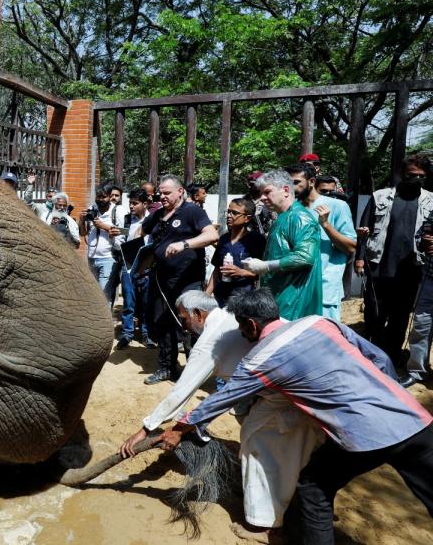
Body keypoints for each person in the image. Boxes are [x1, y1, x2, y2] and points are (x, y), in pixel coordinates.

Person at [157, 289, 433, 545]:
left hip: (364, 436)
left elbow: (220, 400)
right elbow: (381, 358)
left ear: (251, 325)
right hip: (414, 418)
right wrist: (390, 397)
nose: (241, 333)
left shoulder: (260, 359)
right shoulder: (320, 322)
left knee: (314, 488)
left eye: (242, 327)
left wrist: (180, 429)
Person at [119, 290, 322, 540]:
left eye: (184, 318)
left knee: (255, 443)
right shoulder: (233, 317)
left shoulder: (210, 342)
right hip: (309, 386)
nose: (184, 325)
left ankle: (265, 525)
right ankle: (297, 502)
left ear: (198, 314)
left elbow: (182, 392)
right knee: (288, 444)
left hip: (287, 395)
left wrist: (146, 429)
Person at [137, 174, 218, 384]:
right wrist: (138, 257)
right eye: (160, 193)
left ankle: (196, 371)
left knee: (190, 323)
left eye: (166, 193)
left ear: (180, 191)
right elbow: (140, 231)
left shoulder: (192, 211)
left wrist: (185, 244)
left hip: (187, 279)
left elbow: (211, 235)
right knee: (163, 322)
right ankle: (166, 367)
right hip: (160, 279)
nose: (161, 197)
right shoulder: (158, 214)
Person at [356, 154, 433, 366]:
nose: (416, 180)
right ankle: (373, 352)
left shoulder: (430, 200)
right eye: (411, 175)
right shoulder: (380, 196)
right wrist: (359, 258)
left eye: (421, 176)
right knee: (374, 313)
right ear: (402, 174)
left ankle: (391, 356)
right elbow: (364, 230)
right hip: (378, 265)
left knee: (400, 316)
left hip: (412, 269)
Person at [242, 169, 322, 319]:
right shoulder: (283, 217)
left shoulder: (299, 217)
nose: (262, 198)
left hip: (294, 302)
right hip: (280, 297)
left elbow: (305, 257)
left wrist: (265, 266)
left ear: (285, 190)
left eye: (267, 192)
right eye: (261, 194)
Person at [287, 164, 356, 320]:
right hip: (295, 290)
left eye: (296, 182)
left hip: (325, 290)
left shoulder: (337, 206)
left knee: (325, 340)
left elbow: (350, 247)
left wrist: (325, 225)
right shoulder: (290, 209)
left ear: (311, 181)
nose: (291, 187)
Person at [205, 197, 265, 307]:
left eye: (234, 213)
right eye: (228, 212)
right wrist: (206, 296)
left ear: (247, 218)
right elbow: (216, 271)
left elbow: (263, 272)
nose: (229, 215)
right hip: (220, 297)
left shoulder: (256, 240)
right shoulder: (223, 239)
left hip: (242, 299)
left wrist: (241, 272)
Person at [116, 188, 155, 349]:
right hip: (128, 265)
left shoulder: (153, 221)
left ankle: (147, 334)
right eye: (130, 203)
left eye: (135, 203)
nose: (131, 206)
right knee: (129, 302)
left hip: (147, 266)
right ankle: (127, 334)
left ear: (145, 204)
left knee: (147, 302)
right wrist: (118, 237)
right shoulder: (126, 220)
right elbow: (119, 242)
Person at [79, 182, 122, 313]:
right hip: (92, 258)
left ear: (110, 197)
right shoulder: (93, 209)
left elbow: (122, 233)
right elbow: (83, 233)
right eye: (98, 197)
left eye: (103, 197)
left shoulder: (117, 211)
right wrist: (81, 220)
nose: (100, 200)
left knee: (104, 295)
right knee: (94, 295)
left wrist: (103, 226)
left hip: (108, 259)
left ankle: (104, 326)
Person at [403, 210, 433, 387]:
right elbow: (421, 235)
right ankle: (417, 371)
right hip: (429, 279)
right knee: (421, 326)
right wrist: (425, 241)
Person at [245, 171, 275, 235]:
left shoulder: (270, 200)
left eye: (256, 183)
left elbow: (274, 220)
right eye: (251, 184)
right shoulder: (244, 201)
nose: (253, 186)